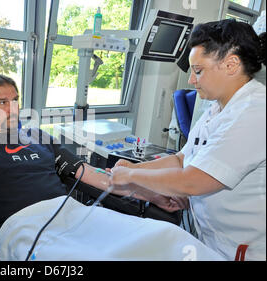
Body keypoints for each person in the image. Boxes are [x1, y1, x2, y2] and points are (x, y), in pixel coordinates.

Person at [0, 74, 183, 246]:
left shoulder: (38, 136)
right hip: (23, 226)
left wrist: (149, 194)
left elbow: (89, 173)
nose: (12, 108)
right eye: (2, 102)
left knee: (165, 237)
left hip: (69, 213)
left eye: (15, 100)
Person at [110, 19, 266, 261]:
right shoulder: (217, 107)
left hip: (244, 248)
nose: (192, 80)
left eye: (198, 70)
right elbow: (182, 159)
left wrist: (130, 177)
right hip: (211, 238)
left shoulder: (256, 112)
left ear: (231, 64)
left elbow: (193, 181)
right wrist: (133, 167)